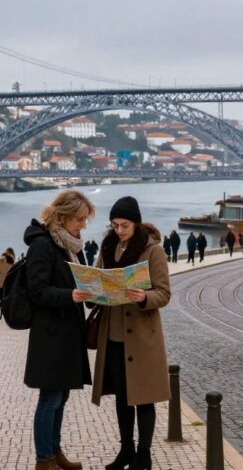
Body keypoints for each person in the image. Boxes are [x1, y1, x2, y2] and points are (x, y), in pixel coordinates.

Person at [92, 196, 171, 470]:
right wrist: (94, 291)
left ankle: (144, 454)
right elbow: (101, 283)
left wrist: (143, 297)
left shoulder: (153, 251)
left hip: (141, 337)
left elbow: (163, 293)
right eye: (115, 225)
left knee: (143, 397)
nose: (119, 230)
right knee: (122, 398)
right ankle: (125, 451)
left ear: (136, 223)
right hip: (113, 333)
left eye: (124, 225)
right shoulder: (107, 248)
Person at [24, 189, 95, 470]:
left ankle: (55, 453)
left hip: (67, 332)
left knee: (61, 397)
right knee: (50, 398)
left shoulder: (70, 246)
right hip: (51, 334)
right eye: (79, 219)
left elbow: (79, 281)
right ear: (63, 216)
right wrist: (70, 296)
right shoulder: (42, 245)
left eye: (85, 220)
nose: (83, 225)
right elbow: (37, 291)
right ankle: (44, 460)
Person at [0, 248, 16, 320]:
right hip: (9, 282)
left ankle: (1, 309)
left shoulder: (0, 260)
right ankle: (7, 311)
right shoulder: (12, 261)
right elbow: (15, 272)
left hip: (0, 282)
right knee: (8, 297)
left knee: (0, 297)